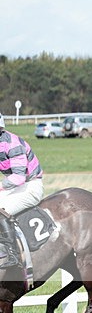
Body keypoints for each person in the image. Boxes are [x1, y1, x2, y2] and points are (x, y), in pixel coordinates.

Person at [0, 113, 44, 267]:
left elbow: (19, 178)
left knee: (1, 210)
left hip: (31, 187)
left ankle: (13, 255)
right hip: (15, 187)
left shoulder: (13, 144)